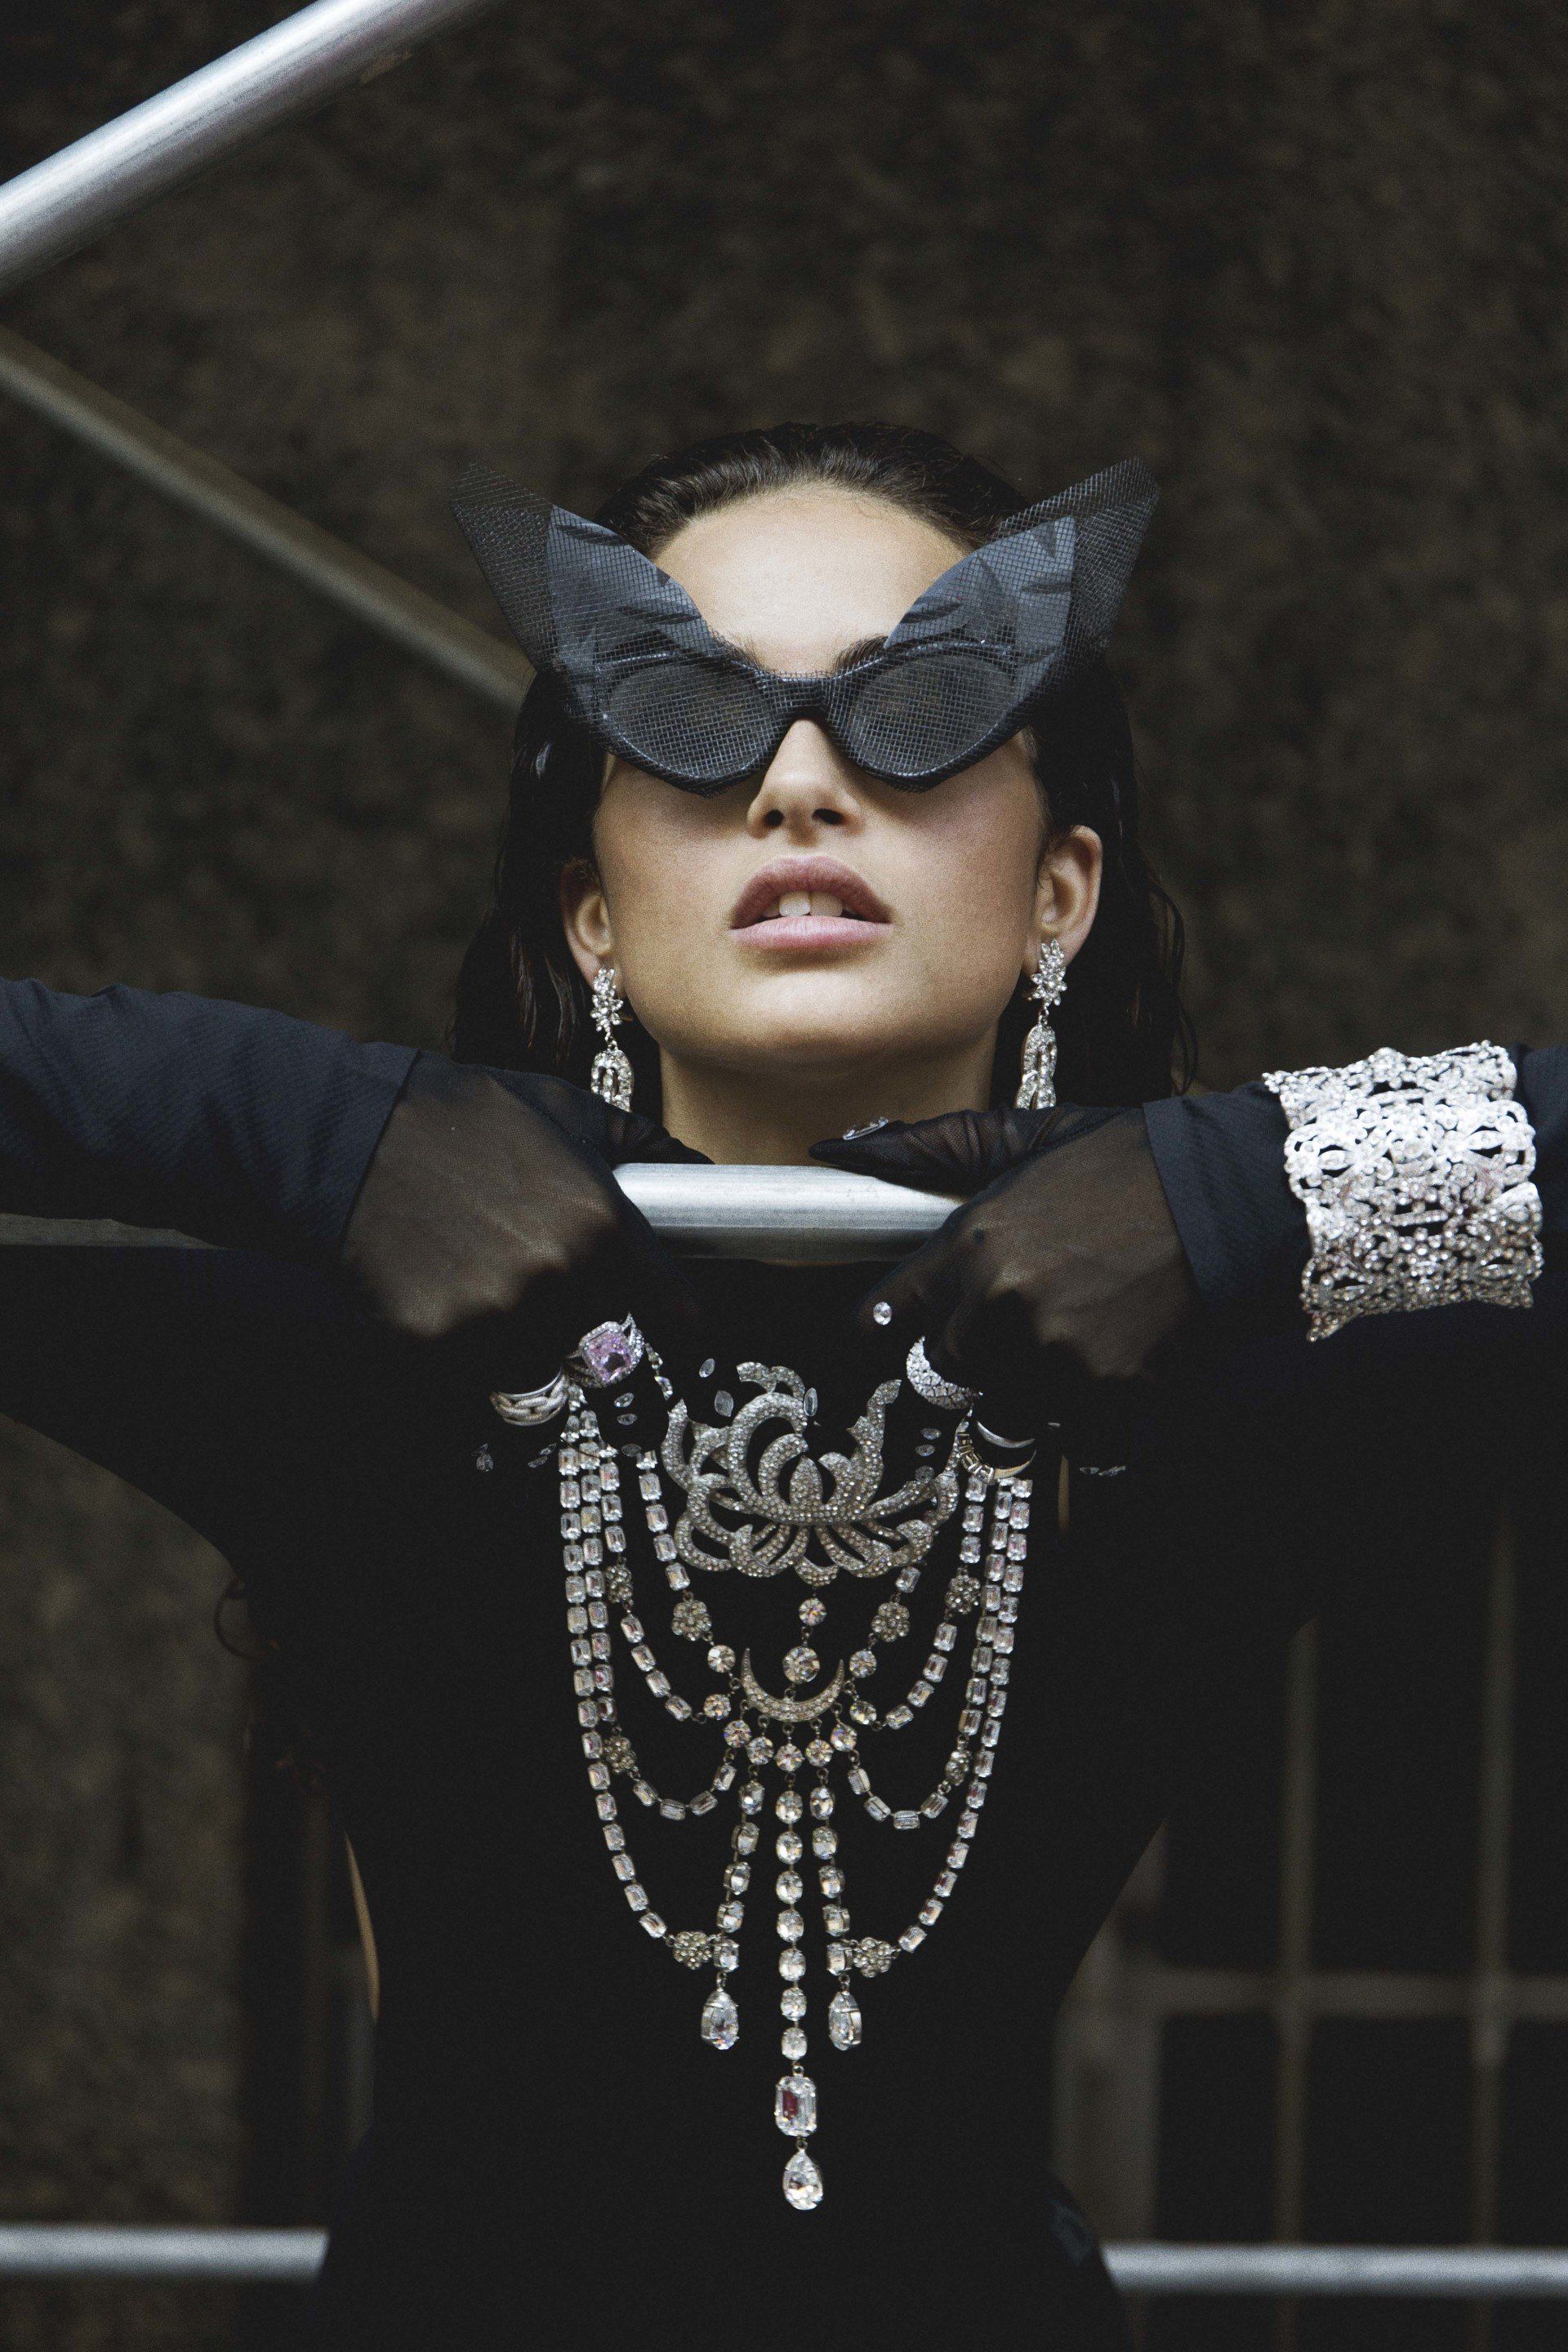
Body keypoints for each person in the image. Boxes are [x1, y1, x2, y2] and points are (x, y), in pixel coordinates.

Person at [2, 421, 1558, 2350]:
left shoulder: (1213, 1371)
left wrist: (1251, 1181)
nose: (801, 785)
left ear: (1061, 890)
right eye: (691, 722)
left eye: (921, 712)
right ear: (588, 908)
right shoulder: (366, 1341)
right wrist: (307, 1130)